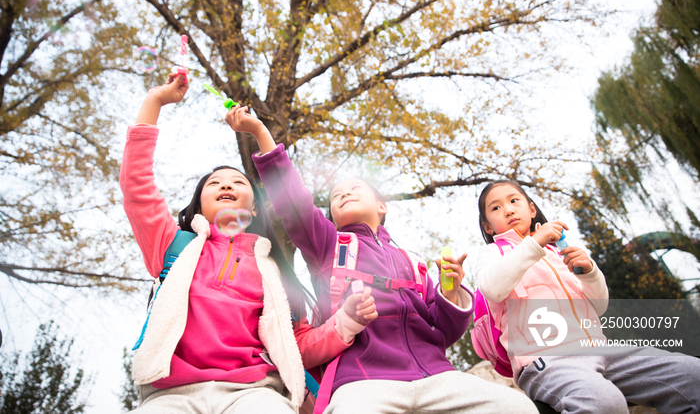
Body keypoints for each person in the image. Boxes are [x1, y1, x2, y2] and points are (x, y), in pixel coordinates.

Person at [226, 104, 538, 414]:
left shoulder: (413, 261)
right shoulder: (328, 246)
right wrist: (260, 132)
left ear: (382, 206)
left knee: (516, 406)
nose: (344, 193)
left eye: (355, 188)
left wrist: (451, 292)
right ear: (331, 215)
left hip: (437, 376)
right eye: (336, 196)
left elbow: (443, 331)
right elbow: (292, 199)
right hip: (363, 381)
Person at [121, 74, 377, 414]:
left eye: (237, 182)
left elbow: (297, 345)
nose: (225, 185)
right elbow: (138, 190)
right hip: (170, 395)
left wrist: (346, 321)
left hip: (255, 393)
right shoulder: (172, 247)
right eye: (214, 183)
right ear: (199, 205)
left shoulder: (272, 271)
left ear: (254, 207)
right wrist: (154, 101)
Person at [476, 179, 700, 414]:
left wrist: (590, 273)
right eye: (496, 208)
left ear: (531, 209)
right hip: (548, 361)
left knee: (692, 375)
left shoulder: (558, 251)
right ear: (488, 227)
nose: (508, 209)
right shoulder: (493, 254)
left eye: (514, 201)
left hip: (601, 349)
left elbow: (600, 306)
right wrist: (535, 242)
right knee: (605, 403)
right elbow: (491, 288)